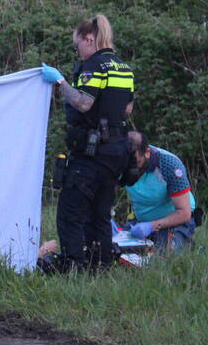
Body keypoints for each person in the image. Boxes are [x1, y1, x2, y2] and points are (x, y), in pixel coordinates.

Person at [40, 14, 134, 272]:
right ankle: (100, 264)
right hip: (117, 152)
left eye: (77, 45)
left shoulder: (94, 65)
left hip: (92, 153)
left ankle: (71, 266)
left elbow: (83, 102)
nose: (77, 51)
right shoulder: (123, 68)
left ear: (89, 39)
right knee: (100, 213)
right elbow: (127, 108)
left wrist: (60, 81)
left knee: (70, 212)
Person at [123, 131, 197, 254]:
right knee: (114, 250)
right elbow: (106, 192)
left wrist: (152, 226)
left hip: (176, 221)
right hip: (141, 221)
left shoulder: (169, 165)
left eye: (135, 163)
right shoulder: (118, 160)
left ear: (147, 153)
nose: (130, 168)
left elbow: (184, 213)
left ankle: (184, 243)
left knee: (162, 256)